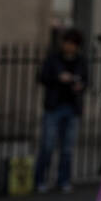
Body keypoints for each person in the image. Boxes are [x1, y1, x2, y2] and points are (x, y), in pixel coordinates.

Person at [34, 28, 88, 192]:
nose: (69, 46)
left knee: (67, 148)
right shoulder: (53, 59)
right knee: (47, 145)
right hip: (54, 106)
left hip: (72, 107)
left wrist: (79, 85)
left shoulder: (81, 61)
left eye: (72, 44)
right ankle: (40, 180)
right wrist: (58, 78)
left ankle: (63, 180)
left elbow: (86, 80)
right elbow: (42, 77)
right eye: (67, 43)